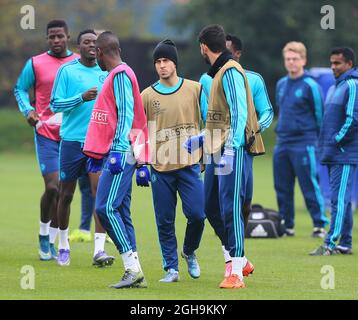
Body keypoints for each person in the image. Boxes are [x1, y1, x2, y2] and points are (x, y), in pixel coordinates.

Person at [187, 33, 272, 278]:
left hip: (231, 151)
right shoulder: (215, 75)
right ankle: (241, 258)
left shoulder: (231, 71)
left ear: (203, 47)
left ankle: (234, 271)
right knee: (209, 206)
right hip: (215, 149)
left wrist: (234, 148)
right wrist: (201, 138)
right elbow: (219, 120)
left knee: (231, 207)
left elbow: (239, 113)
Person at [13, 20, 93, 261]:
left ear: (68, 37)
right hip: (45, 133)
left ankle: (59, 241)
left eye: (60, 36)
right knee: (52, 187)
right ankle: (43, 234)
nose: (56, 40)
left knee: (65, 190)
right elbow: (19, 88)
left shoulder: (80, 63)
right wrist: (27, 110)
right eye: (51, 37)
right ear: (47, 39)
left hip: (71, 134)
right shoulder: (35, 63)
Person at [83, 31, 150, 289]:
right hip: (123, 151)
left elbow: (126, 113)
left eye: (95, 53)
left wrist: (118, 151)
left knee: (105, 208)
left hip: (121, 152)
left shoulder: (120, 74)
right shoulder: (120, 73)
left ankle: (132, 269)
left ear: (100, 52)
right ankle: (135, 271)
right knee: (121, 210)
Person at [140, 39, 206, 283]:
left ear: (175, 62)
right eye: (157, 61)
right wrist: (141, 163)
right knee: (165, 220)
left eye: (165, 60)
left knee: (198, 215)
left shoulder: (195, 89)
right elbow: (137, 130)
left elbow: (211, 122)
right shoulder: (147, 95)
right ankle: (171, 268)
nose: (161, 65)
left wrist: (206, 144)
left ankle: (189, 251)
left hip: (189, 165)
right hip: (160, 168)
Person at [50, 29, 114, 267]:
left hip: (98, 143)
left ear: (100, 48)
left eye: (95, 43)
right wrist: (80, 98)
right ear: (79, 46)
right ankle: (64, 245)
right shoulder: (67, 71)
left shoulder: (107, 72)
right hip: (71, 142)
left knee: (100, 195)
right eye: (86, 42)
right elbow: (54, 103)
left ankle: (99, 250)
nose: (91, 46)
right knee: (65, 193)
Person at [273, 41, 329, 238]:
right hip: (282, 143)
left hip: (304, 143)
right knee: (282, 187)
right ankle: (287, 225)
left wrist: (319, 143)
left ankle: (319, 224)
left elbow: (320, 116)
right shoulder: (281, 84)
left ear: (303, 60)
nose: (291, 62)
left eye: (295, 59)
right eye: (288, 59)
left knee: (309, 185)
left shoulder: (311, 85)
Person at [310, 47, 358, 256]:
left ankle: (329, 243)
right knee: (342, 200)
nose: (333, 67)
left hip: (344, 153)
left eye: (337, 63)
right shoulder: (334, 87)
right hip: (332, 152)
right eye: (331, 63)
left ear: (349, 64)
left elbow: (353, 119)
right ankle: (345, 243)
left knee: (338, 200)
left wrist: (336, 140)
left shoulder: (353, 84)